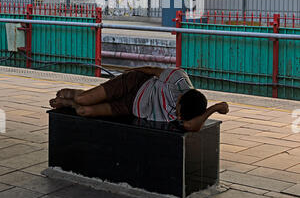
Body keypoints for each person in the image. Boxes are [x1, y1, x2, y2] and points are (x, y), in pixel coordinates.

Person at [49, 66, 229, 132]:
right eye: (179, 111)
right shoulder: (178, 78)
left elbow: (192, 126)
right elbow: (152, 70)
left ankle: (68, 102)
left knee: (83, 110)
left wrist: (214, 109)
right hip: (134, 84)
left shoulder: (189, 113)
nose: (178, 117)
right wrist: (127, 74)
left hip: (130, 106)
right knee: (84, 99)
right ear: (181, 98)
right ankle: (73, 95)